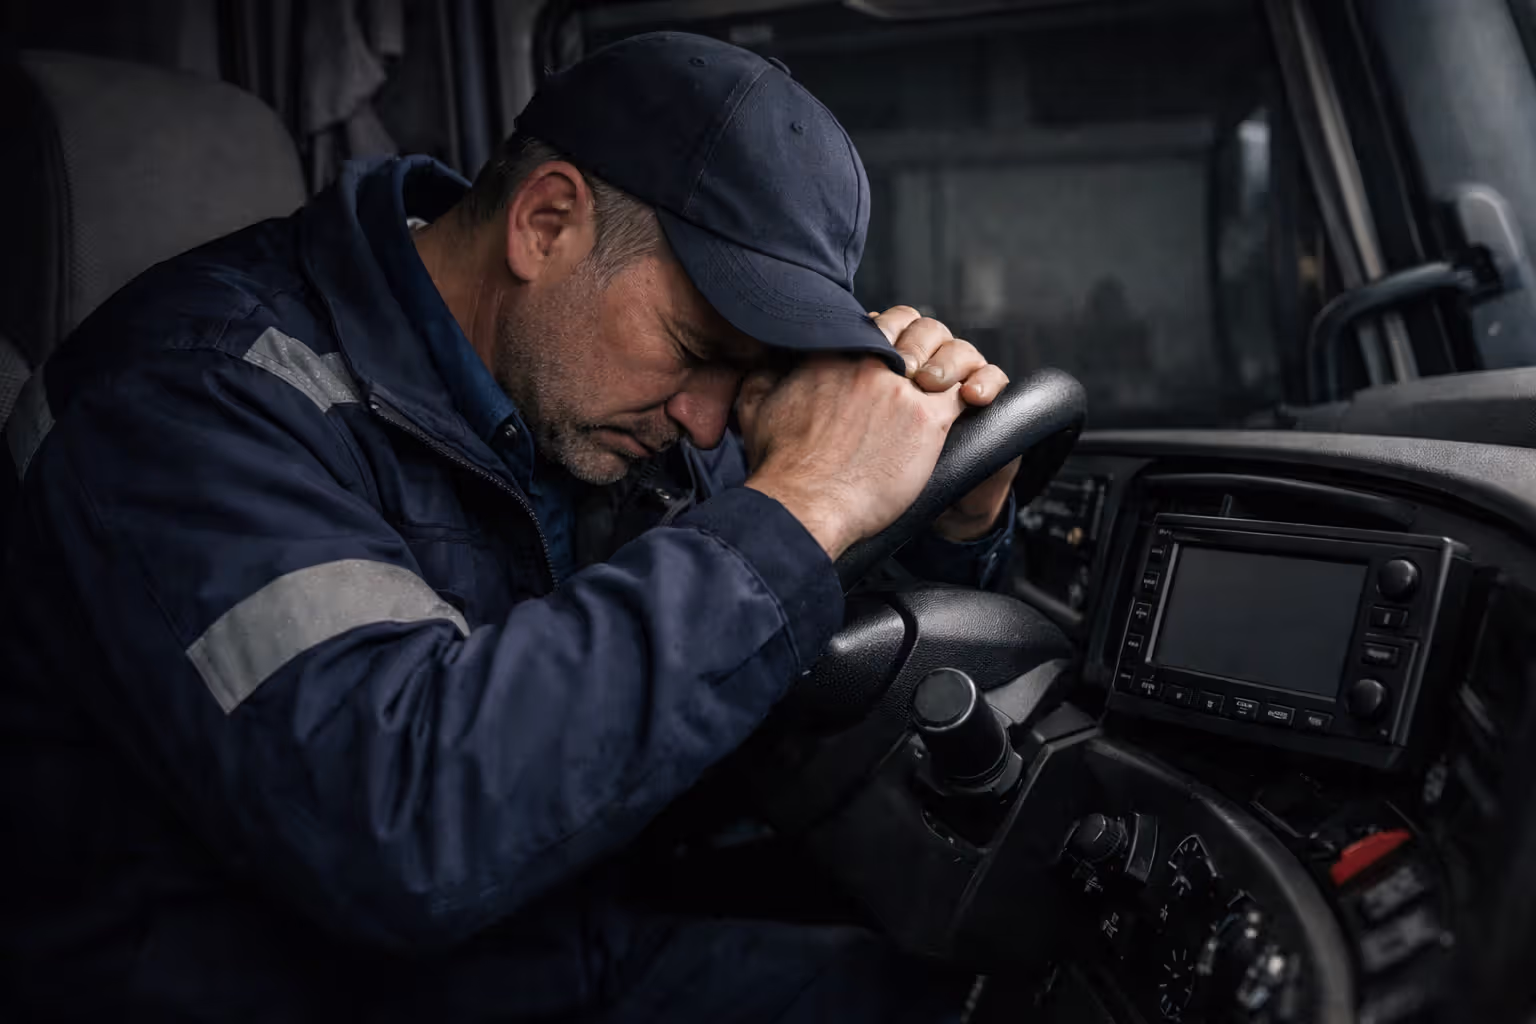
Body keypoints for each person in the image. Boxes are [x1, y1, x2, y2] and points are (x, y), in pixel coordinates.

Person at [0, 31, 1020, 1023]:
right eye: (693, 347)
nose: (707, 420)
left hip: (554, 940)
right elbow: (400, 825)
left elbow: (792, 662)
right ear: (545, 222)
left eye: (747, 375)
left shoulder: (617, 399)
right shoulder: (183, 401)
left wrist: (946, 524)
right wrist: (807, 502)